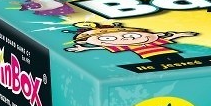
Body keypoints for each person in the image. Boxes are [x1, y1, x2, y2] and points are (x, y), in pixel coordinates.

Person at [64, 21, 197, 63]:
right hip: (151, 56)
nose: (126, 38)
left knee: (178, 61)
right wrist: (85, 49)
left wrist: (181, 34)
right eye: (108, 39)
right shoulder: (126, 46)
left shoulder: (152, 40)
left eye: (131, 35)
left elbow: (167, 38)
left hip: (169, 52)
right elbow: (104, 48)